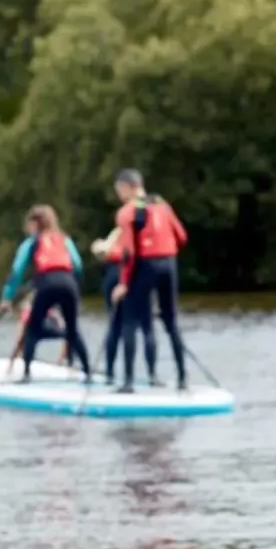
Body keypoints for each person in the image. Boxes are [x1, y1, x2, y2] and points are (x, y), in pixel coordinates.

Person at [110, 168, 188, 392]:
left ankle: (128, 382)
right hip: (169, 264)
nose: (119, 196)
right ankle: (183, 378)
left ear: (127, 187)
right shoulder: (163, 206)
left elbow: (128, 252)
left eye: (119, 191)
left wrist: (124, 283)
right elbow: (182, 236)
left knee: (130, 321)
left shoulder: (127, 212)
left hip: (144, 265)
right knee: (171, 321)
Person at [0, 204, 92, 383]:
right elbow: (78, 265)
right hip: (69, 284)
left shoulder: (32, 242)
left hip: (47, 284)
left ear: (35, 224)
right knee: (72, 330)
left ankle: (26, 374)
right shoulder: (64, 239)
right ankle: (88, 373)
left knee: (32, 328)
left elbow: (17, 271)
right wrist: (68, 284)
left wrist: (6, 298)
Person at [91, 227, 157, 385]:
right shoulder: (147, 230)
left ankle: (110, 374)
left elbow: (101, 250)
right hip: (138, 273)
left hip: (113, 274)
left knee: (116, 326)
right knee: (146, 326)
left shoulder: (120, 229)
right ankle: (152, 376)